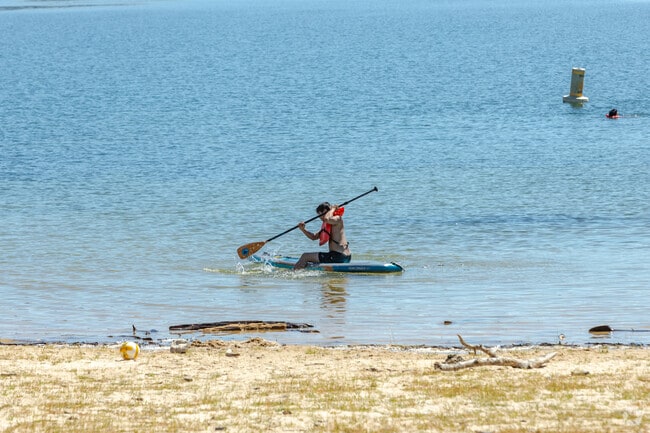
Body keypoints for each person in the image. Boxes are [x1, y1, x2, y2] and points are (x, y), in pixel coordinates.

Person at [294, 202, 351, 270]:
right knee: (307, 256)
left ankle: (293, 274)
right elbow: (314, 237)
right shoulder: (327, 225)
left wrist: (332, 209)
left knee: (305, 256)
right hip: (339, 256)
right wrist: (303, 229)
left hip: (339, 256)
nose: (321, 218)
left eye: (322, 215)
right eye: (319, 216)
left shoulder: (337, 219)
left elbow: (327, 219)